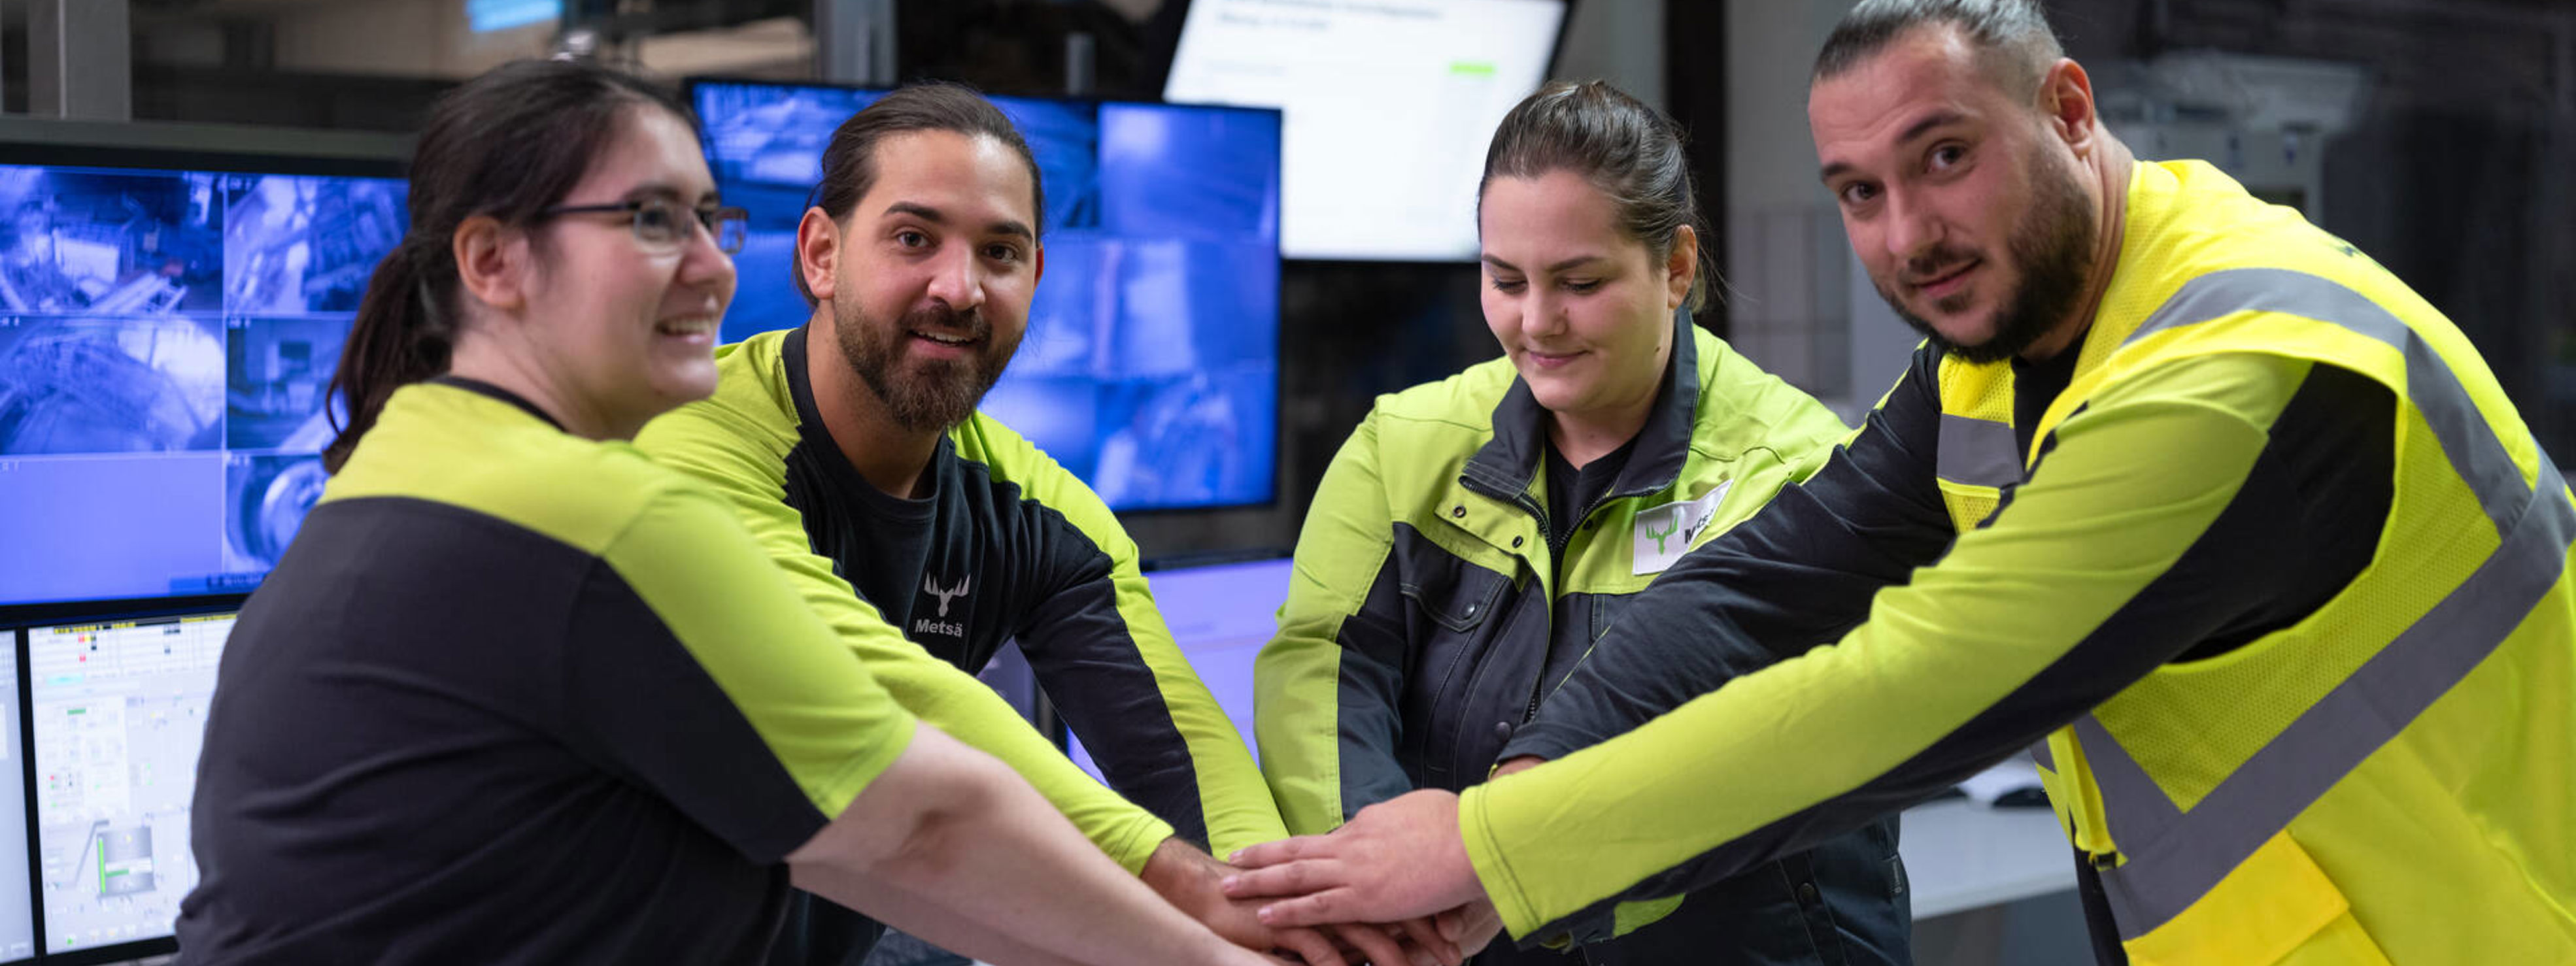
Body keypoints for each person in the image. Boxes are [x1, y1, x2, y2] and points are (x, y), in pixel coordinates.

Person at [1219, 1, 2576, 963]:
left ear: (2066, 108)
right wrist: (1522, 784)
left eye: (1943, 155)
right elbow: (1767, 583)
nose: (1907, 234)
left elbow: (1892, 695)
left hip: (2478, 921)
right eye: (1856, 191)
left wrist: (1486, 848)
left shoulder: (2233, 380)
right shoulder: (2004, 348)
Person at [176, 59, 1285, 966]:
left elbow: (873, 844)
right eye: (651, 221)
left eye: (710, 218)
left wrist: (1278, 903)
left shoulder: (414, 469)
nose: (712, 265)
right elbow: (916, 814)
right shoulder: (598, 509)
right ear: (494, 261)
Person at [629, 82, 1446, 966]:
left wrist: (1281, 907)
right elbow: (887, 696)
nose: (960, 287)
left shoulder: (1040, 510)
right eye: (913, 238)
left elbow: (1183, 758)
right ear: (821, 254)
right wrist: (1182, 883)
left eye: (1001, 251)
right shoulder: (685, 442)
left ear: (1038, 277)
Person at [1253, 80, 1911, 966]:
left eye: (1580, 281)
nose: (1536, 322)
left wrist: (1498, 870)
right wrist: (1382, 871)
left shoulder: (1795, 470)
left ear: (1676, 268)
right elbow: (1322, 673)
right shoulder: (1402, 448)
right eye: (1505, 279)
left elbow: (1731, 762)